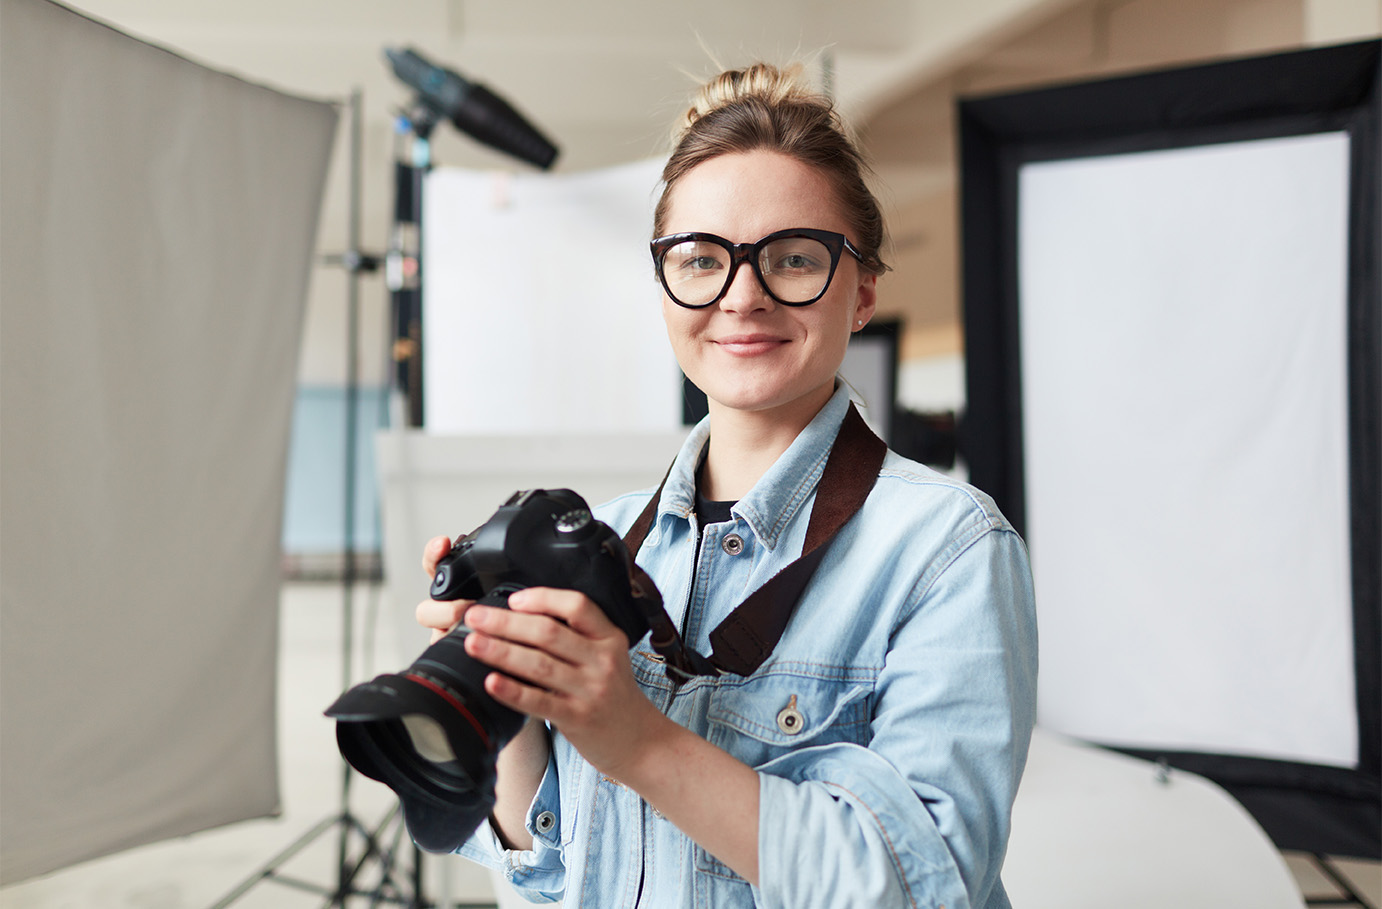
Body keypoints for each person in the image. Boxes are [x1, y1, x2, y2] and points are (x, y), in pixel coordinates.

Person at [416, 61, 1038, 908]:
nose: (742, 296)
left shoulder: (947, 550)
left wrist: (634, 738)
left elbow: (921, 891)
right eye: (703, 259)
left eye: (792, 257)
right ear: (666, 285)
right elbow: (554, 870)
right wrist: (508, 692)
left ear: (862, 294)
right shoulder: (604, 536)